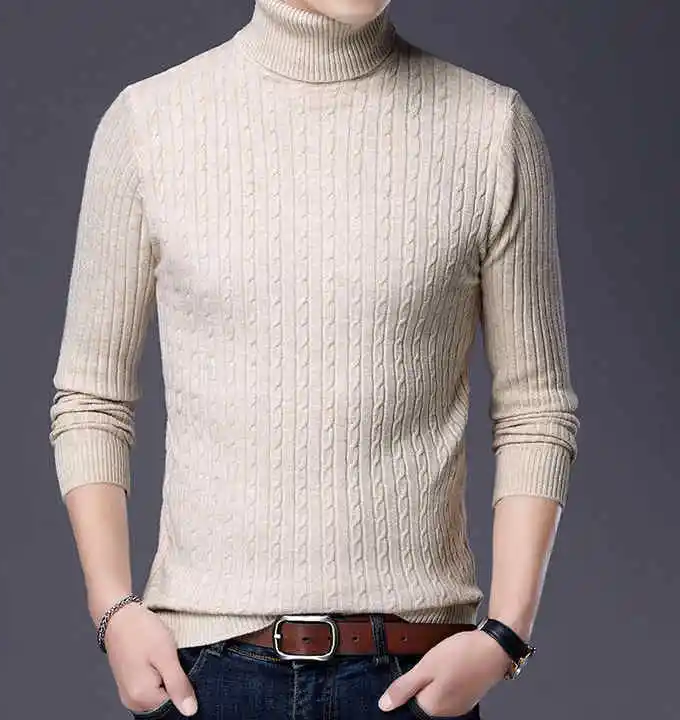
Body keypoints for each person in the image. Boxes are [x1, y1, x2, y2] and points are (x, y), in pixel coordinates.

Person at [48, 0, 581, 718]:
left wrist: (505, 636)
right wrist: (113, 608)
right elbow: (92, 399)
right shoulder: (149, 125)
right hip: (205, 675)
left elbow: (534, 409)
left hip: (410, 674)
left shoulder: (489, 129)